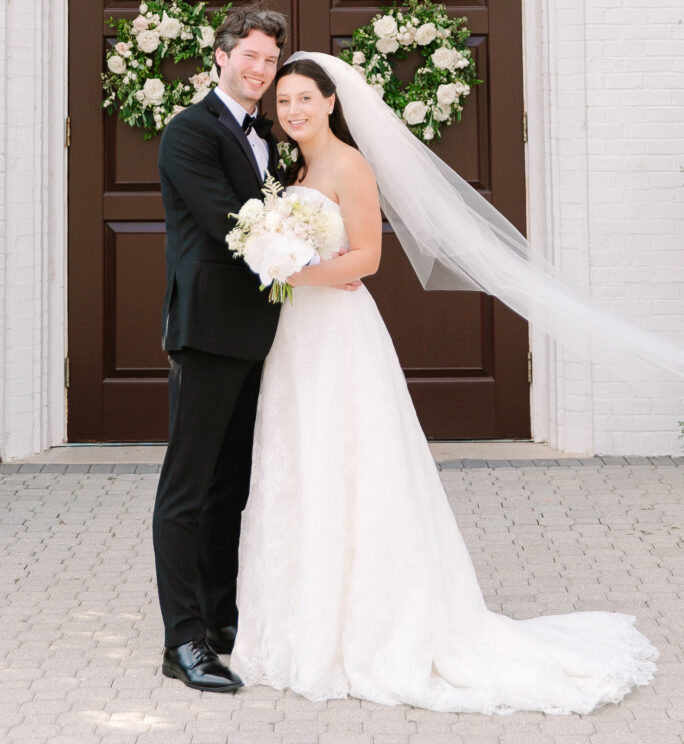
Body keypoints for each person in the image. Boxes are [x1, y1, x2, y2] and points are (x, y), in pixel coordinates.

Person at [229, 52, 684, 714]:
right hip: (298, 337)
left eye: (304, 98)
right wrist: (274, 253)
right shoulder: (289, 168)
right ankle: (301, 623)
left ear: (332, 102)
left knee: (353, 465)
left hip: (340, 334)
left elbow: (368, 257)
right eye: (284, 101)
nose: (292, 110)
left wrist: (289, 269)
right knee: (302, 465)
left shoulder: (350, 165)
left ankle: (371, 626)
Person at [151, 3, 288, 693]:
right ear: (222, 55)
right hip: (207, 330)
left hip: (258, 334)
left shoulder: (268, 135)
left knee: (228, 488)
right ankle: (182, 643)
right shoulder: (189, 132)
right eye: (251, 57)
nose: (260, 71)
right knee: (188, 487)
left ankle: (220, 621)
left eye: (270, 61)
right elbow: (231, 224)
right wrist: (311, 252)